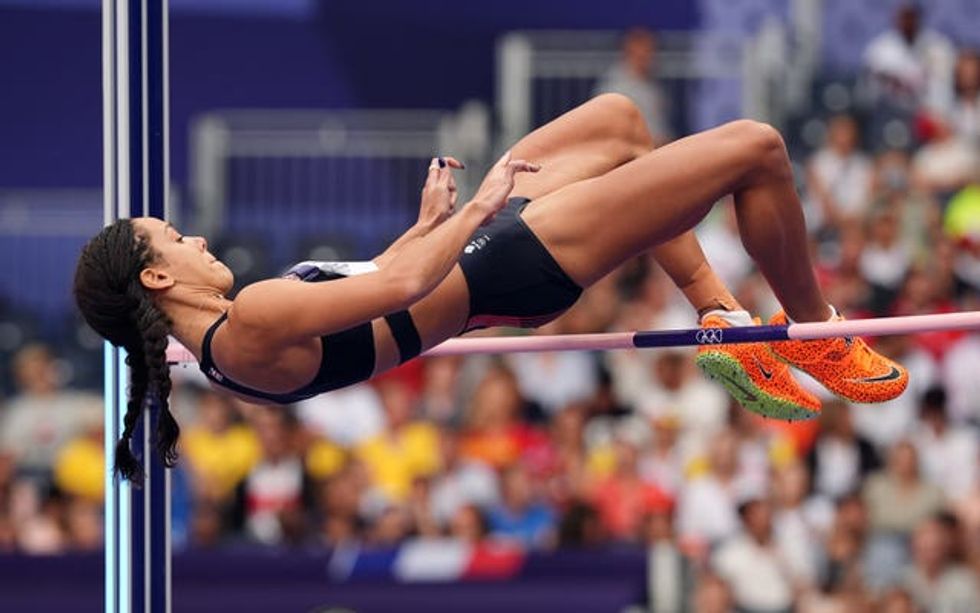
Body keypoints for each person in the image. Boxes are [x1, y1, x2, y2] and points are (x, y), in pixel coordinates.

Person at [73, 94, 908, 480]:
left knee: (618, 122)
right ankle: (819, 333)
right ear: (156, 274)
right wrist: (465, 211)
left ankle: (721, 313)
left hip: (474, 250)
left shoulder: (225, 346)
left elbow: (379, 289)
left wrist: (431, 220)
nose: (199, 237)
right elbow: (403, 282)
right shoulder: (249, 317)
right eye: (177, 239)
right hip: (508, 262)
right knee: (757, 148)